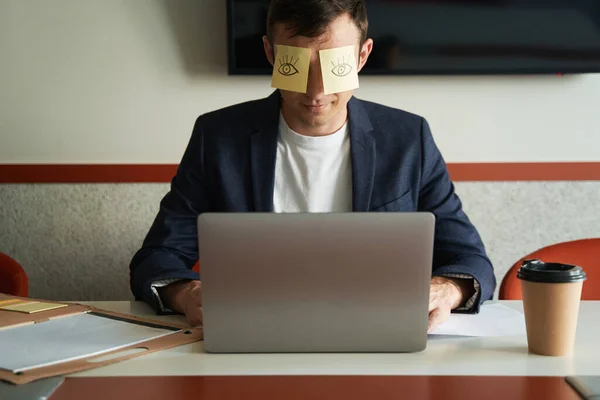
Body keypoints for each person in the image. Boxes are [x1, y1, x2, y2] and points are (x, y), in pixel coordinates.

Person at [130, 0, 496, 333]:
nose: (316, 91)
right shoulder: (218, 136)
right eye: (297, 66)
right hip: (254, 331)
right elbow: (157, 257)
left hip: (378, 332)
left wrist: (447, 289)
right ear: (271, 54)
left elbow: (470, 259)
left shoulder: (407, 138)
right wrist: (185, 293)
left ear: (362, 57)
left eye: (334, 66)